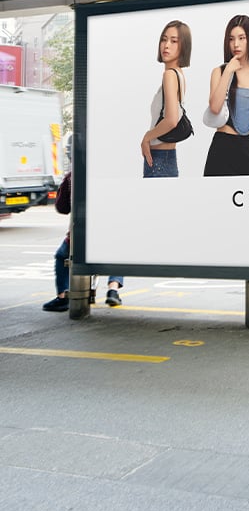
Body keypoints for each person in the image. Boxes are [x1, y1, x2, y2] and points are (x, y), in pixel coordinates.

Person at [42, 171, 125, 311]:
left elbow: (62, 208)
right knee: (118, 252)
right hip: (109, 235)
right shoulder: (113, 174)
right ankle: (113, 290)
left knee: (61, 256)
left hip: (79, 236)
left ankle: (63, 296)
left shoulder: (71, 176)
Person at [204, 14, 249, 175]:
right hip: (222, 147)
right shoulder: (219, 72)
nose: (236, 44)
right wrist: (228, 71)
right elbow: (214, 107)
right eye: (231, 39)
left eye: (242, 38)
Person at [140, 19, 193, 178]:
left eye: (174, 41)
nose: (166, 45)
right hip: (167, 159)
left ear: (183, 46)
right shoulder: (179, 75)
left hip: (158, 162)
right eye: (164, 39)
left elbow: (171, 120)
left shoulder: (169, 75)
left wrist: (146, 138)